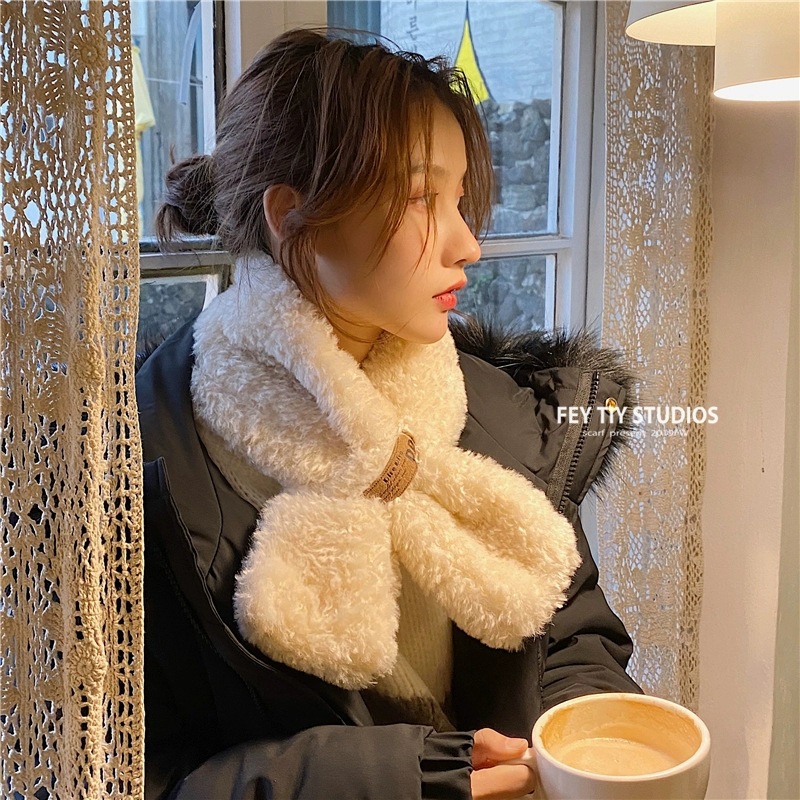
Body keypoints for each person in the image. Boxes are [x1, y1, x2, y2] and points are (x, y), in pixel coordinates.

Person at [137, 27, 642, 800]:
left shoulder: (497, 412)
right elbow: (127, 767)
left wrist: (581, 751)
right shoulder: (145, 467)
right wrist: (401, 779)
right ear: (292, 215)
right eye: (420, 198)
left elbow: (572, 632)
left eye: (460, 198)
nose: (468, 244)